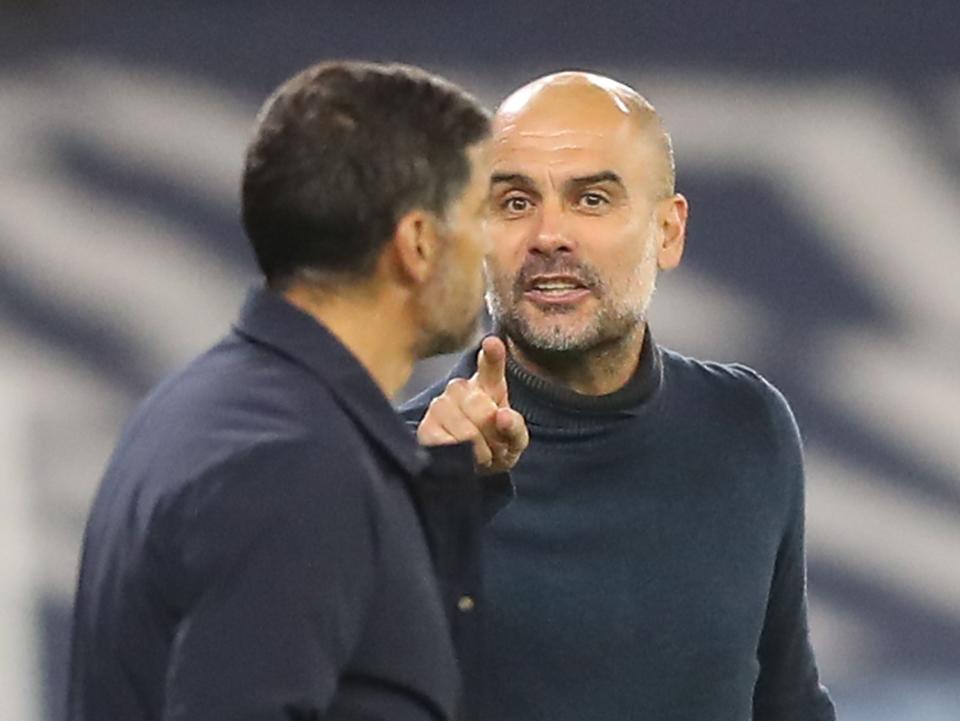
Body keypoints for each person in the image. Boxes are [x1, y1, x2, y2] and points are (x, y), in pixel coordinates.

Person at [67, 60, 521, 721]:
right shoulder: (296, 465)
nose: (501, 245)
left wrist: (447, 488)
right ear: (418, 244)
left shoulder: (215, 407)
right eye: (484, 210)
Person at [402, 71, 836, 721]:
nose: (549, 235)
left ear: (668, 231)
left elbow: (787, 701)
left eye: (592, 199)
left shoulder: (749, 425)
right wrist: (427, 507)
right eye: (515, 202)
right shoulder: (385, 466)